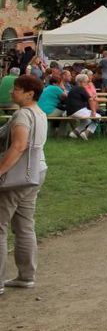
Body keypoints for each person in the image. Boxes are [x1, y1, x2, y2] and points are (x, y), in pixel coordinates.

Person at [0, 74, 48, 294]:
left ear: (29, 93)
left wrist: (1, 171)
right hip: (36, 173)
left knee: (1, 227)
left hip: (17, 177)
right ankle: (26, 276)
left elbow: (18, 146)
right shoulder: (40, 113)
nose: (12, 91)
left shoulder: (22, 115)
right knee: (25, 226)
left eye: (16, 89)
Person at [64, 73, 101, 140]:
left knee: (87, 121)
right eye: (86, 82)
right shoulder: (81, 88)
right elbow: (90, 100)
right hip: (77, 111)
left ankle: (74, 133)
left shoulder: (73, 89)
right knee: (98, 117)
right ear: (81, 82)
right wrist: (94, 112)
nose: (87, 84)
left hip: (69, 112)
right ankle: (86, 133)